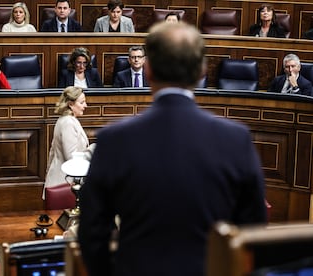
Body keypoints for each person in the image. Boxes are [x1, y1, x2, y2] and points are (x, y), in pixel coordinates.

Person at [78, 22, 267, 276]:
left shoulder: (114, 140)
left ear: (148, 69)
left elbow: (92, 232)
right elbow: (253, 233)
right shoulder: (236, 140)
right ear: (201, 70)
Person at [44, 86, 95, 198]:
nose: (85, 106)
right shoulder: (68, 123)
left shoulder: (67, 120)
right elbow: (72, 159)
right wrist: (93, 149)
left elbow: (52, 152)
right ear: (71, 104)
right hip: (64, 184)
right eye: (82, 102)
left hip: (63, 182)